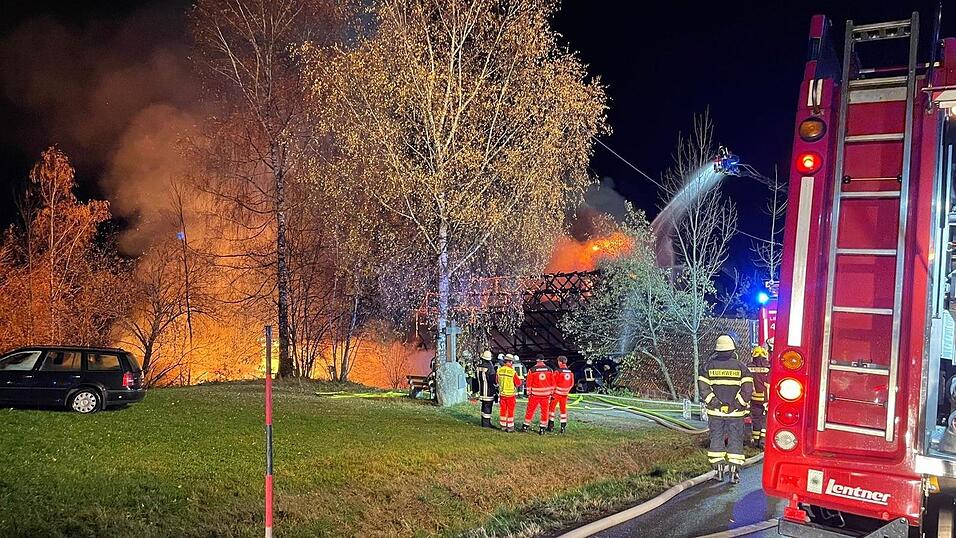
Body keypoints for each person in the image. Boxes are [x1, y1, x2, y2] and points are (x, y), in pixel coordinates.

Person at [698, 334, 753, 484]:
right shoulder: (742, 367)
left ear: (717, 350)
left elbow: (703, 389)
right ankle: (734, 472)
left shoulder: (707, 366)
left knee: (716, 440)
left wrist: (716, 403)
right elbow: (747, 391)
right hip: (736, 414)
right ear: (732, 349)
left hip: (715, 413)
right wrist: (735, 405)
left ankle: (718, 471)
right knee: (735, 440)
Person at [522, 354, 554, 434]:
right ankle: (542, 428)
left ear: (537, 360)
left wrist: (528, 393)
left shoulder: (532, 370)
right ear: (543, 360)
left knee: (530, 410)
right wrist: (551, 393)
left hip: (535, 394)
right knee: (544, 411)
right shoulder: (550, 370)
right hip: (546, 395)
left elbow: (528, 383)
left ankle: (526, 426)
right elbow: (552, 383)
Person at [749, 345, 771, 447]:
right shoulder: (768, 367)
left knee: (756, 418)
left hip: (753, 398)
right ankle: (763, 441)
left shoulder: (748, 367)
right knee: (765, 419)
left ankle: (755, 440)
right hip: (766, 398)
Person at [549, 356, 575, 433]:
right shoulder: (570, 372)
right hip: (565, 394)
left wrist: (552, 392)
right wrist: (566, 391)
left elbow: (553, 383)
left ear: (560, 362)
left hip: (556, 394)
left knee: (551, 409)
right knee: (563, 410)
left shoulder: (557, 372)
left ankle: (551, 426)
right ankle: (563, 427)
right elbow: (572, 384)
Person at [496, 354, 522, 432]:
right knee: (510, 411)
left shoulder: (499, 370)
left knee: (503, 410)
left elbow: (496, 381)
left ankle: (503, 426)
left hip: (502, 394)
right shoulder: (512, 372)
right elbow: (518, 383)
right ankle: (510, 427)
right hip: (510, 395)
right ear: (510, 362)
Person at [476, 350, 497, 428]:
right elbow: (492, 379)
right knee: (488, 406)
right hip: (488, 390)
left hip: (481, 390)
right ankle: (486, 424)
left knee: (484, 406)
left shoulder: (478, 366)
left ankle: (483, 422)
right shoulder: (490, 367)